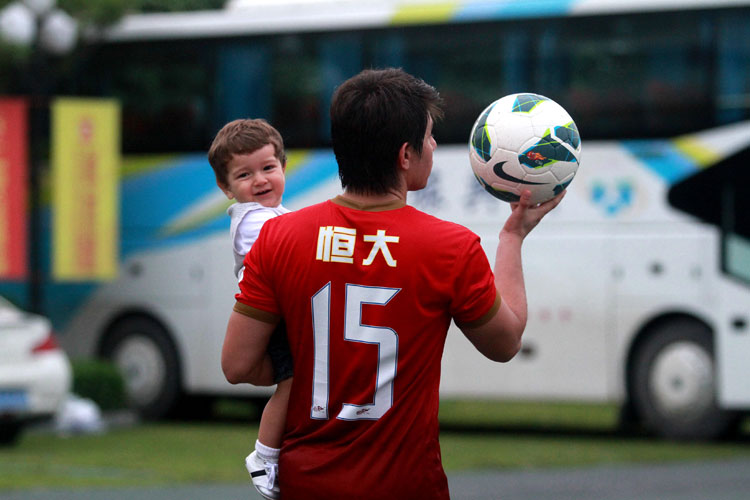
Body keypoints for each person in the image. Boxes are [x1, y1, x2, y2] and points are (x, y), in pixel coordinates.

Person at [221, 68, 564, 499]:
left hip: (305, 484)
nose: (434, 146)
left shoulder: (278, 237)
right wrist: (512, 238)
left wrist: (308, 366)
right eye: (429, 136)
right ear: (405, 155)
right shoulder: (450, 247)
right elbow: (505, 342)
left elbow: (238, 366)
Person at [208, 118, 292, 499]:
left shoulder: (279, 214)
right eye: (244, 175)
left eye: (268, 168)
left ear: (283, 168)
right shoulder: (250, 221)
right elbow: (286, 249)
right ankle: (265, 455)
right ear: (226, 188)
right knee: (292, 384)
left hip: (289, 315)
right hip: (273, 320)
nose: (260, 180)